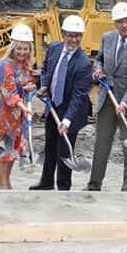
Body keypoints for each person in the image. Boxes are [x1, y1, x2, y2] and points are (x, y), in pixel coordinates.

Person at [87, 2, 127, 192]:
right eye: (120, 22)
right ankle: (94, 185)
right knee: (101, 144)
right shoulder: (107, 38)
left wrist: (125, 102)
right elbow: (99, 59)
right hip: (107, 97)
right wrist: (98, 71)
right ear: (115, 23)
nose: (124, 25)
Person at [31, 15, 92, 191]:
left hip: (71, 112)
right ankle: (46, 182)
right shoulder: (54, 48)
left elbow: (79, 96)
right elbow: (46, 70)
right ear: (63, 34)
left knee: (64, 151)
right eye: (70, 35)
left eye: (78, 36)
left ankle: (63, 187)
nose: (74, 39)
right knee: (50, 145)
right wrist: (44, 86)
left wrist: (67, 120)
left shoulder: (83, 63)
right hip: (52, 106)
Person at [0, 24, 36, 189]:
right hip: (4, 114)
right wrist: (23, 107)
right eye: (19, 49)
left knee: (12, 151)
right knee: (2, 148)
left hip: (18, 116)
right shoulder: (5, 65)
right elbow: (9, 90)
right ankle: (2, 184)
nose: (22, 52)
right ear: (13, 48)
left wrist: (31, 88)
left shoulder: (27, 65)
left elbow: (30, 83)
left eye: (25, 49)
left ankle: (7, 181)